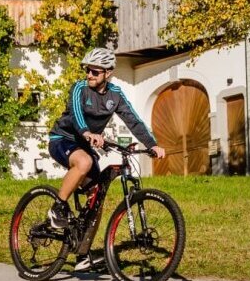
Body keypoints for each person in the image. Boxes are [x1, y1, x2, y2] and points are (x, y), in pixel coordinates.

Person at [45, 48, 166, 269]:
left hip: (86, 144)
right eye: (87, 70)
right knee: (84, 162)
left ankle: (82, 254)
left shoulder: (115, 95)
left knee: (97, 197)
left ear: (108, 73)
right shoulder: (80, 88)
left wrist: (152, 144)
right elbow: (76, 114)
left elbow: (133, 120)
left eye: (95, 71)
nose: (89, 75)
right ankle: (57, 208)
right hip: (63, 139)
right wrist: (87, 133)